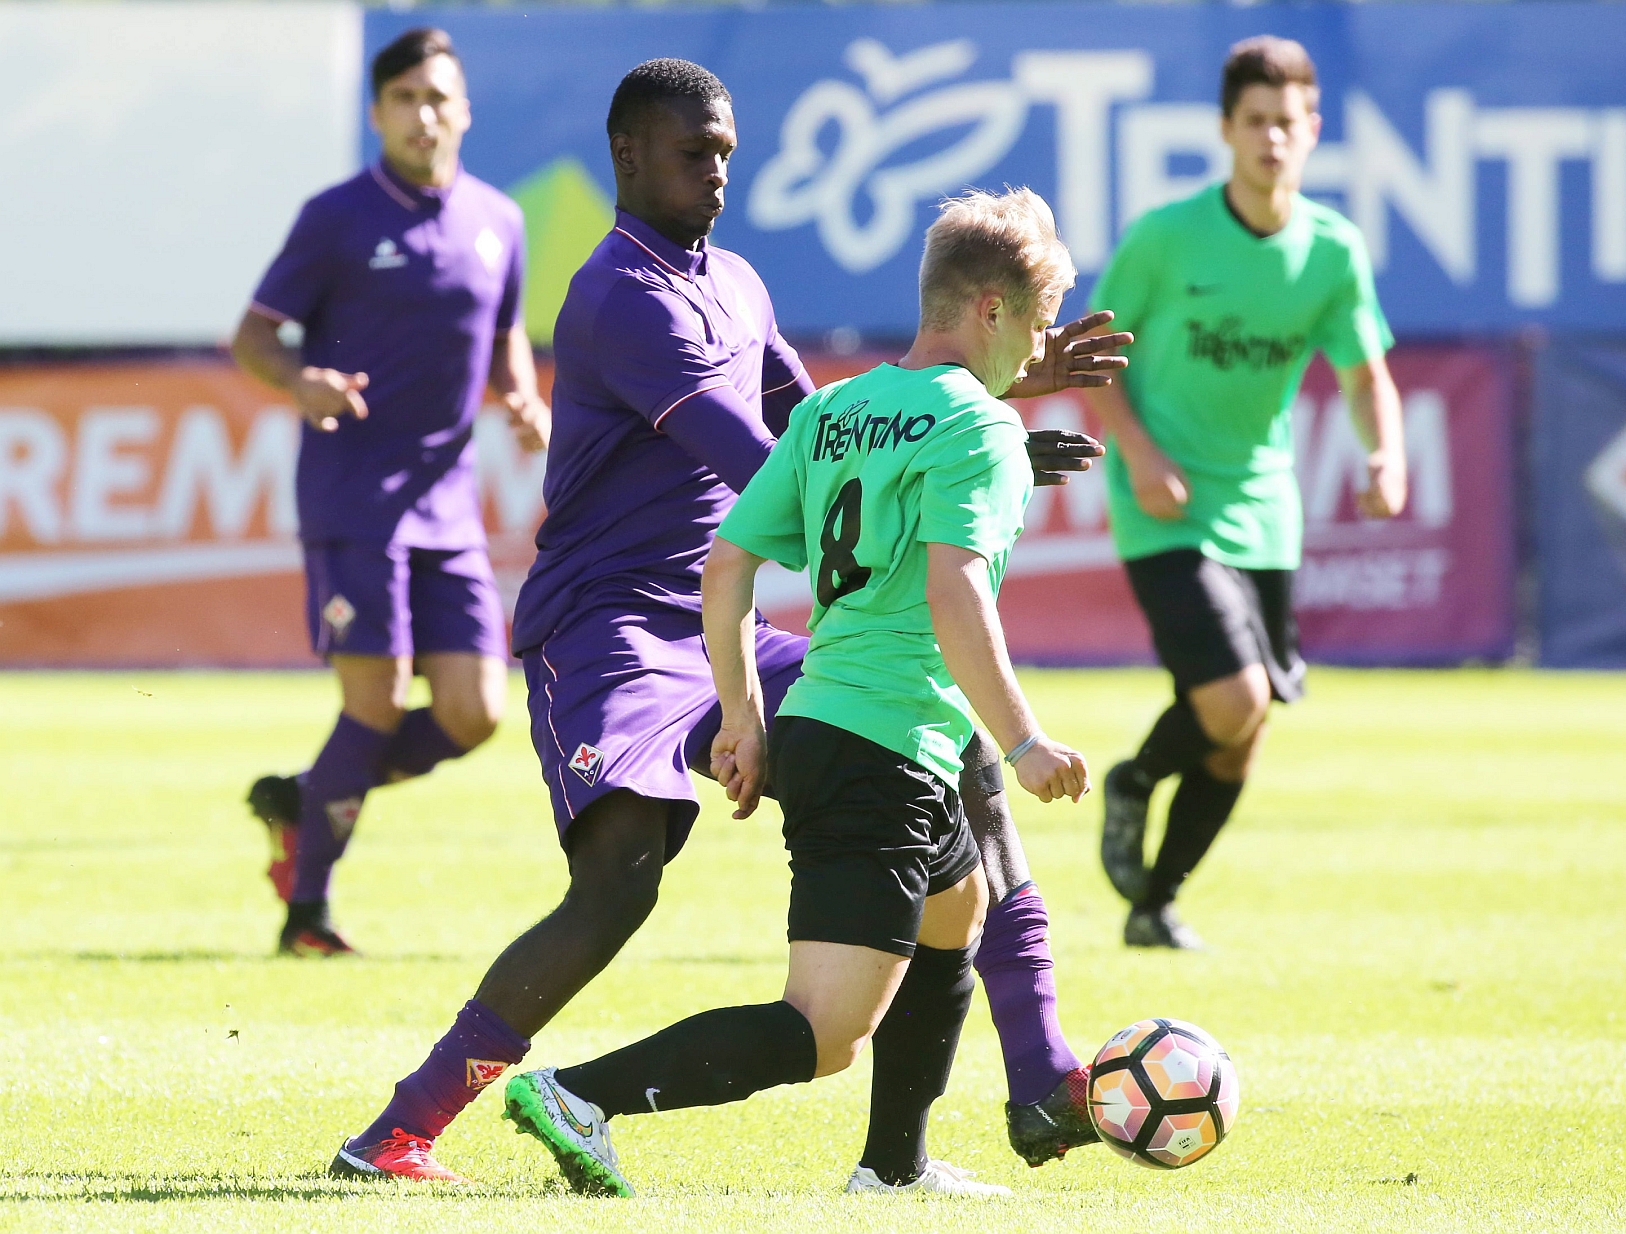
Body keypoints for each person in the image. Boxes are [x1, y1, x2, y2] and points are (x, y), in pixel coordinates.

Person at [328, 60, 1126, 1185]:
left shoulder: (739, 284)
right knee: (620, 883)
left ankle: (1014, 1086)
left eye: (726, 154)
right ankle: (400, 1129)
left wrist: (976, 401)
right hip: (608, 626)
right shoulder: (618, 295)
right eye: (692, 152)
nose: (715, 173)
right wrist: (965, 437)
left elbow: (825, 421)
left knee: (942, 743)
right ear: (628, 157)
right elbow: (777, 469)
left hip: (718, 616)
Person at [502, 185, 1090, 1199]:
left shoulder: (830, 412)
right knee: (823, 1033)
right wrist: (1025, 741)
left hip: (832, 725)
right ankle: (579, 1094)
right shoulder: (981, 429)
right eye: (1037, 324)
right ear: (990, 309)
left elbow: (727, 566)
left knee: (959, 907)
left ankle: (895, 1169)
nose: (1037, 351)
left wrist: (743, 716)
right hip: (880, 754)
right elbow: (955, 591)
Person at [233, 28, 550, 957]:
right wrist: (301, 381)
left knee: (474, 712)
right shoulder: (335, 217)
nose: (424, 114)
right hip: (353, 499)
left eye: (438, 97)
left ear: (465, 111)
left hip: (448, 506)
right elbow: (254, 336)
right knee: (372, 704)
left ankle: (307, 799)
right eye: (405, 97)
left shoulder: (499, 219)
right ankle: (307, 915)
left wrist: (521, 396)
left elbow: (505, 333)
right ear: (377, 113)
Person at [1089, 36, 1408, 949]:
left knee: (1242, 734)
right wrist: (1139, 453)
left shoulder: (1332, 251)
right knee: (1236, 699)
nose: (1273, 138)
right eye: (1256, 121)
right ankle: (1135, 780)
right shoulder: (1166, 237)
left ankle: (1154, 905)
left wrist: (1387, 456)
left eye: (1288, 122)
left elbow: (1364, 375)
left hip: (1265, 507)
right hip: (1165, 503)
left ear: (1314, 131)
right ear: (1226, 130)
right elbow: (1095, 356)